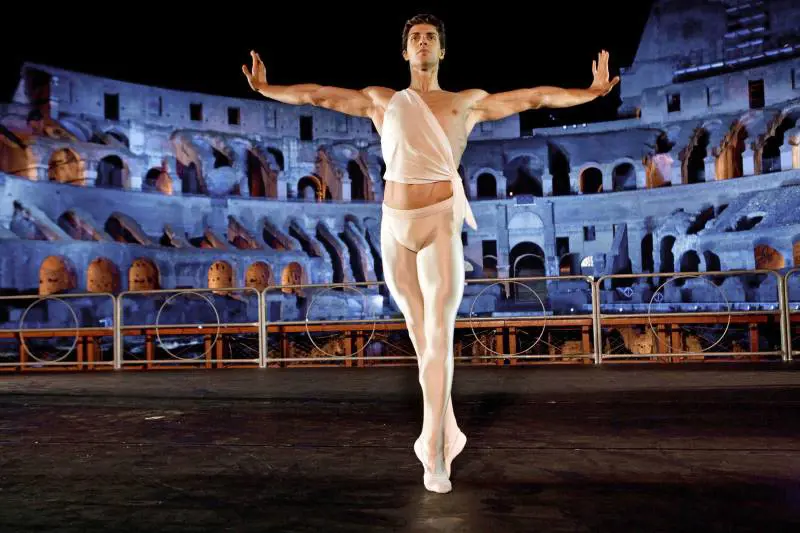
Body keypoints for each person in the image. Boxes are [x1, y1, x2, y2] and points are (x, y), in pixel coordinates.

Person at [242, 13, 619, 493]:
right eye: (415, 38)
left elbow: (534, 96)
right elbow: (319, 94)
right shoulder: (383, 101)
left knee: (439, 338)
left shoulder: (466, 104)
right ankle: (447, 431)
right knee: (423, 342)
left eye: (431, 38)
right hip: (394, 226)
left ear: (443, 52)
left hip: (440, 222)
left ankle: (434, 452)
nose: (423, 43)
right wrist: (266, 88)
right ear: (405, 52)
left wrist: (588, 93)